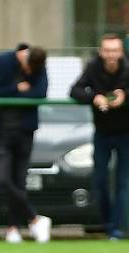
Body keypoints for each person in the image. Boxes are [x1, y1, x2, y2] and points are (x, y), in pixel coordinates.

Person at [0, 43, 52, 244]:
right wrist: (17, 88)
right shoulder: (1, 61)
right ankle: (35, 218)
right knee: (3, 179)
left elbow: (39, 93)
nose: (30, 73)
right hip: (1, 131)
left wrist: (13, 93)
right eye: (28, 68)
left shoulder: (39, 65)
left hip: (25, 131)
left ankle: (13, 228)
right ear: (23, 57)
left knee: (19, 181)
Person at [70, 33, 129, 241]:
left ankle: (115, 228)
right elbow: (74, 90)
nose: (111, 54)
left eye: (115, 50)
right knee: (100, 181)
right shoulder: (93, 67)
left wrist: (124, 95)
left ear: (121, 52)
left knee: (123, 183)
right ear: (101, 52)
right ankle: (108, 224)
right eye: (107, 50)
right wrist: (94, 97)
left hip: (125, 133)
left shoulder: (127, 68)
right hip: (102, 132)